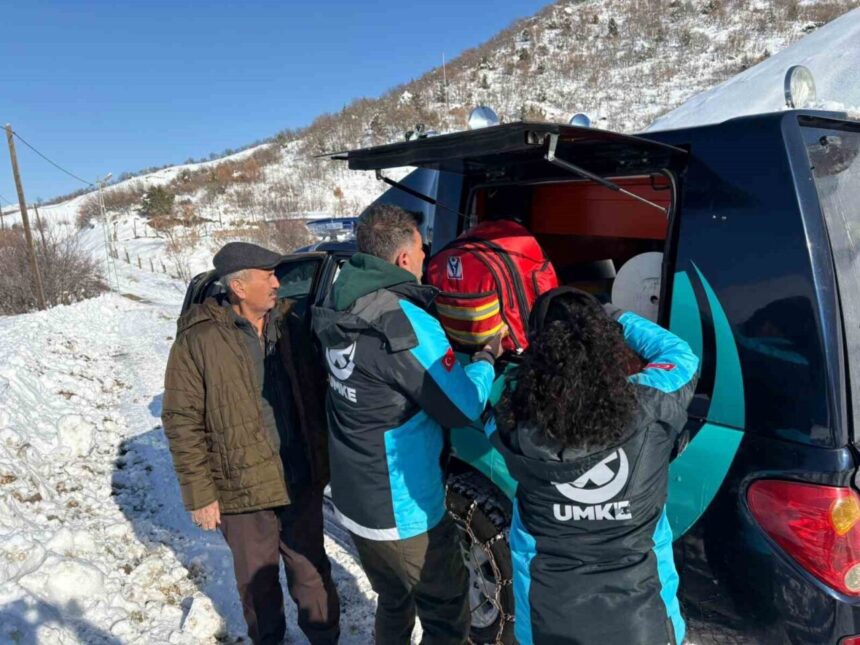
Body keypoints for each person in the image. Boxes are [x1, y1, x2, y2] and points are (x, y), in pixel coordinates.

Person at [312, 204, 505, 645]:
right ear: (403, 259)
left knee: (394, 598)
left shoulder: (339, 299)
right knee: (446, 614)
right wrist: (486, 360)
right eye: (422, 248)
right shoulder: (403, 323)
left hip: (354, 498)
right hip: (403, 511)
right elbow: (462, 406)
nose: (426, 255)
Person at [487, 287, 699, 645]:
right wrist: (612, 315)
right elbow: (681, 356)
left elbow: (488, 410)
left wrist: (485, 358)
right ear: (606, 347)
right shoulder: (649, 403)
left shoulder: (513, 425)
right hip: (644, 622)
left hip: (546, 622)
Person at [161, 242, 340, 645]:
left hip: (297, 475)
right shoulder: (198, 341)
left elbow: (318, 392)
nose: (278, 284)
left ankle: (326, 638)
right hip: (241, 489)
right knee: (257, 584)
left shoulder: (291, 326)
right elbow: (180, 419)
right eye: (269, 277)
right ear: (239, 287)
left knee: (312, 571)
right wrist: (200, 494)